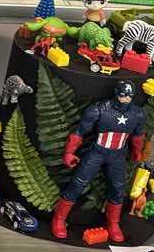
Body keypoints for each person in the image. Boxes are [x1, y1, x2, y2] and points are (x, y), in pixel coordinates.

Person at [52, 78, 146, 243]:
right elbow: (79, 132)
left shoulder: (137, 114)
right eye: (123, 95)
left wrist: (137, 151)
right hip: (97, 152)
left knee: (118, 188)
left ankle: (113, 223)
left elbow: (138, 136)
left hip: (118, 155)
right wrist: (69, 152)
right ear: (116, 93)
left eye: (129, 95)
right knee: (77, 183)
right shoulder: (99, 110)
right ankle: (59, 218)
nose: (126, 98)